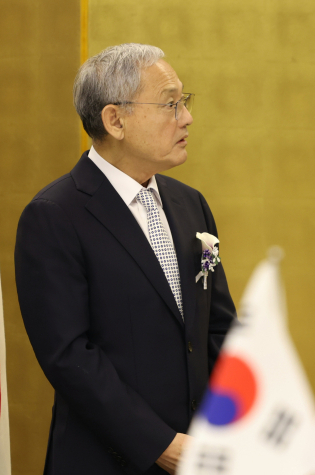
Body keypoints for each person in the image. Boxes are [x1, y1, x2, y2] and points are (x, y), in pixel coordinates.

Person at [14, 44, 236, 474]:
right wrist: (160, 444)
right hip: (106, 460)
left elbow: (219, 328)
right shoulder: (55, 215)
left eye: (184, 103)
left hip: (201, 456)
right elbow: (69, 356)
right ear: (115, 120)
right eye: (171, 104)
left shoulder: (192, 205)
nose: (186, 117)